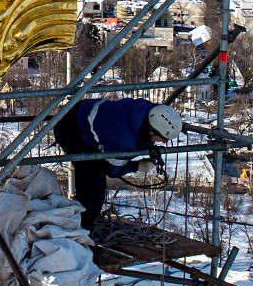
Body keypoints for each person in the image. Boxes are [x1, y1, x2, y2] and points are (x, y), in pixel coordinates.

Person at [53, 98, 181, 229]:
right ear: (151, 130)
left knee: (95, 175)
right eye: (163, 138)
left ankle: (82, 229)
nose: (164, 142)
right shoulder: (124, 141)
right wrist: (137, 166)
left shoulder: (146, 110)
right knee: (93, 185)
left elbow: (139, 132)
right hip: (72, 131)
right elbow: (111, 169)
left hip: (83, 110)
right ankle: (82, 235)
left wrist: (148, 144)